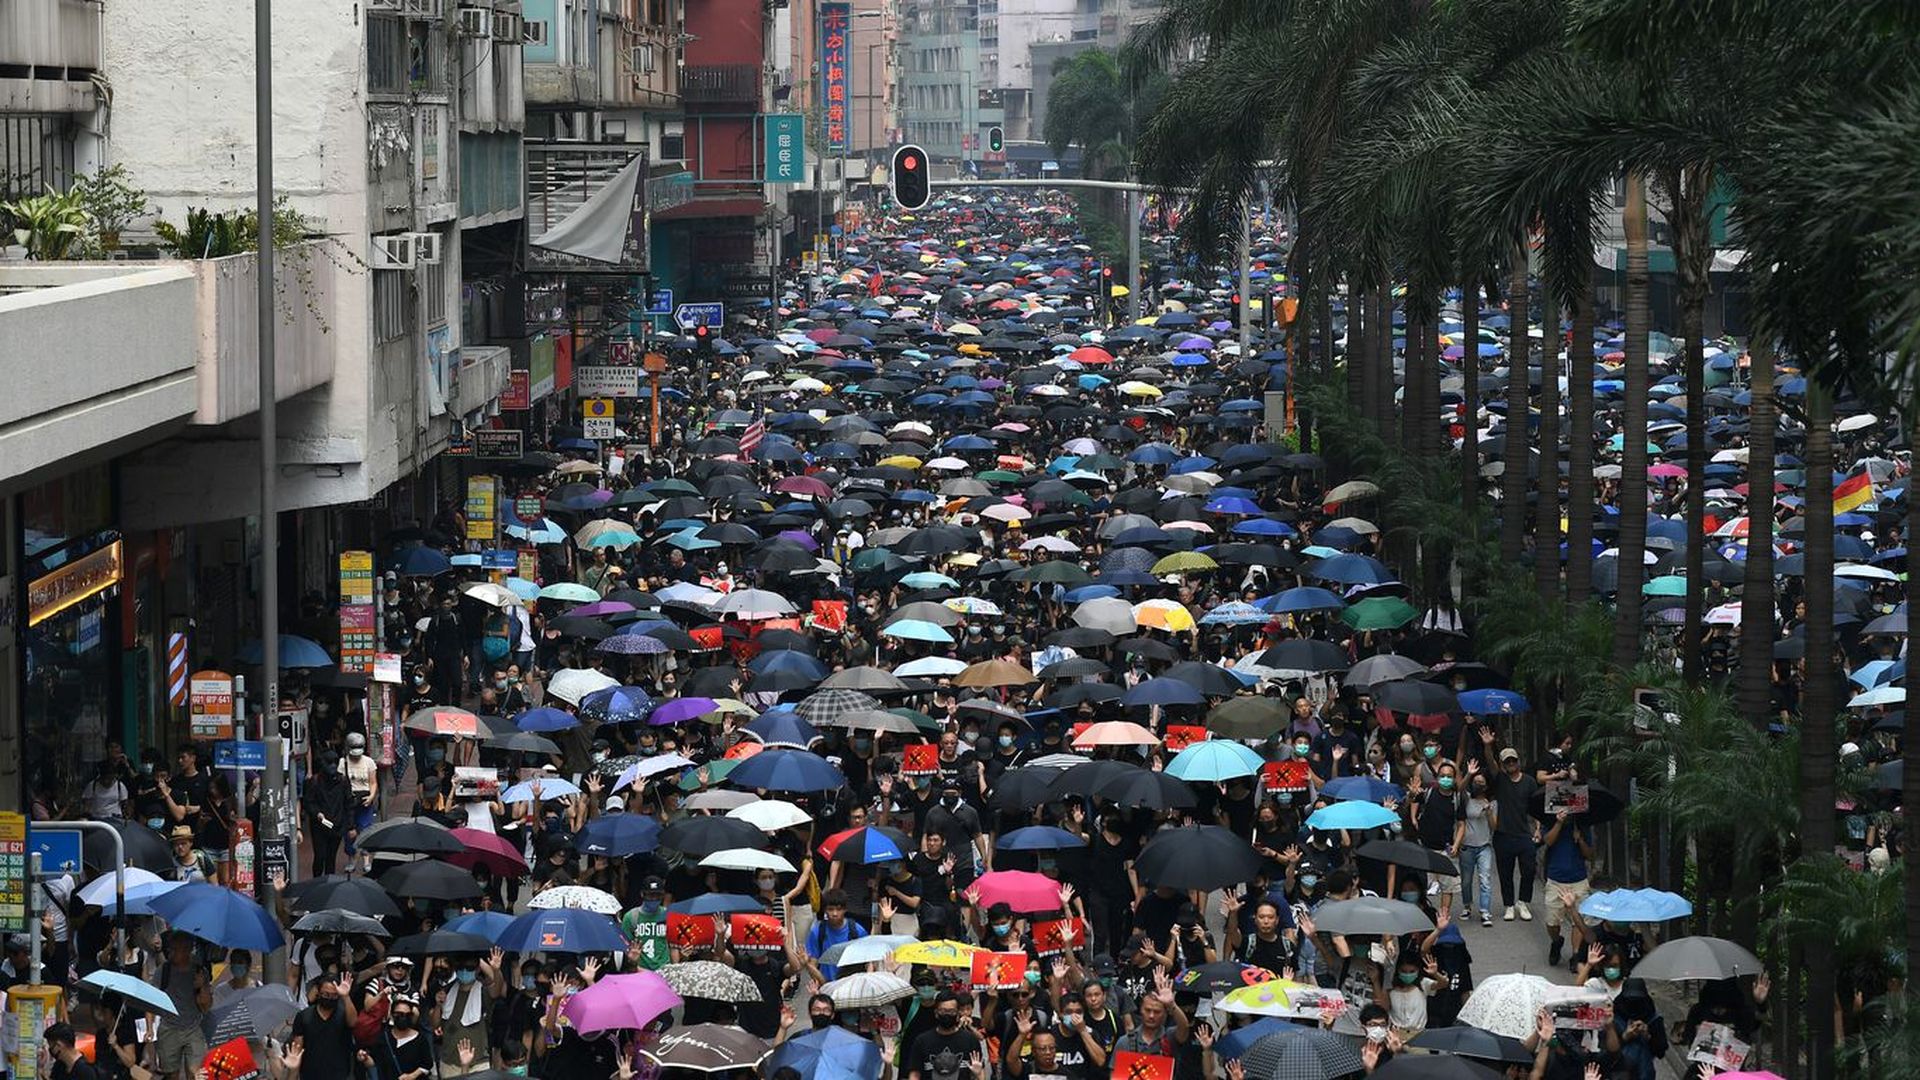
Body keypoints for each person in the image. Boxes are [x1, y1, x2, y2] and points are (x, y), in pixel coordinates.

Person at [1479, 732, 1540, 921]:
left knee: (1529, 870)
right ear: (1503, 764)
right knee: (1505, 873)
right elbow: (1490, 763)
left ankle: (1523, 902)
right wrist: (1488, 745)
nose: (1511, 764)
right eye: (1507, 762)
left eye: (1513, 760)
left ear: (1518, 761)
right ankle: (1509, 905)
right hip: (1503, 834)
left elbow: (1536, 807)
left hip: (1524, 834)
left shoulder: (1529, 782)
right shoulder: (1500, 780)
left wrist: (1537, 828)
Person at [1541, 808, 1595, 968]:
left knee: (1578, 920)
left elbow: (1590, 854)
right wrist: (1559, 822)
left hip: (1578, 879)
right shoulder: (1550, 820)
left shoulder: (1582, 825)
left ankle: (1576, 954)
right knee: (1552, 921)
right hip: (1556, 879)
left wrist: (1580, 840)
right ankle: (1557, 941)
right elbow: (1548, 841)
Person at [154, 933, 210, 1080]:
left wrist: (202, 985)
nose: (171, 953)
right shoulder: (163, 970)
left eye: (175, 949)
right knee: (171, 1074)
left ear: (186, 950)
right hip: (169, 1028)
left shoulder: (199, 970)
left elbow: (206, 1006)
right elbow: (152, 998)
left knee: (195, 1073)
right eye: (170, 948)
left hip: (193, 1028)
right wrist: (149, 1027)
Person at [290, 973, 359, 1080]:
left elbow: (353, 1022)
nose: (329, 998)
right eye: (326, 994)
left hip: (340, 1073)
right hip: (311, 1074)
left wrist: (345, 996)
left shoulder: (344, 1012)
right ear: (318, 992)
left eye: (334, 995)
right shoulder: (304, 1017)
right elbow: (297, 1051)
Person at [905, 990, 985, 1080]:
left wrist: (977, 1074)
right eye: (943, 1011)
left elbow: (980, 1073)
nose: (947, 1015)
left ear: (958, 1013)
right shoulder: (922, 1041)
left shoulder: (970, 1040)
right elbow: (915, 1074)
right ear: (936, 1013)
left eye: (951, 1011)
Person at [802, 889, 869, 986]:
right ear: (825, 909)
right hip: (826, 985)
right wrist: (807, 965)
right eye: (830, 909)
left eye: (839, 909)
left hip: (851, 986)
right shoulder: (817, 931)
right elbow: (813, 963)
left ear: (845, 909)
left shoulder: (857, 931)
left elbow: (867, 962)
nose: (834, 913)